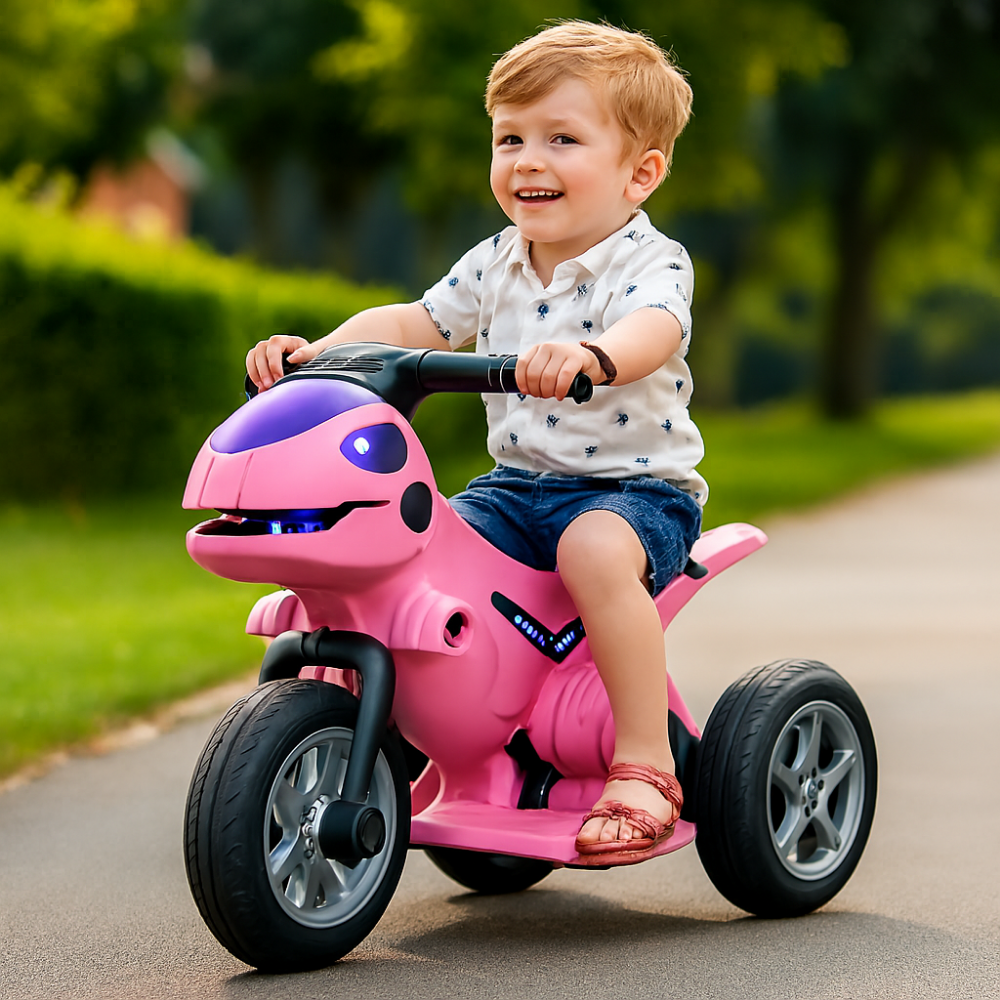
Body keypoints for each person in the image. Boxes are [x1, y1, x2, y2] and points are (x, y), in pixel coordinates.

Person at [247, 20, 707, 866]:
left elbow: (656, 331)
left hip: (634, 493)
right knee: (412, 555)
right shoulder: (498, 258)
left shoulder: (650, 262)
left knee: (596, 554)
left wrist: (595, 357)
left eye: (561, 139)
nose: (528, 160)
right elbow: (415, 322)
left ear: (641, 172)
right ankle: (411, 729)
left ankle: (645, 762)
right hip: (517, 486)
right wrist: (324, 352)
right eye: (510, 139)